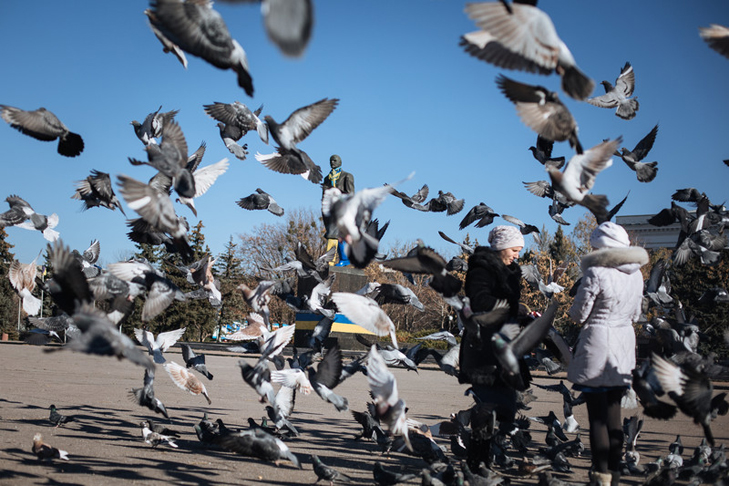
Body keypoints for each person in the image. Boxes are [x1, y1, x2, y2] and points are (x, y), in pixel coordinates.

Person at [566, 222, 648, 486]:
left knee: (597, 417)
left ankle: (600, 476)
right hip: (624, 343)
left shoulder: (596, 272)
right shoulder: (637, 275)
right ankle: (613, 473)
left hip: (598, 343)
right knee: (614, 416)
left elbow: (579, 314)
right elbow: (636, 314)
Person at [458, 224, 526, 469]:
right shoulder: (481, 271)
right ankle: (478, 462)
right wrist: (512, 305)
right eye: (515, 250)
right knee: (488, 408)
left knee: (507, 409)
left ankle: (487, 456)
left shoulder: (511, 271)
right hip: (483, 349)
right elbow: (479, 301)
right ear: (501, 248)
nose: (518, 255)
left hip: (504, 346)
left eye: (519, 250)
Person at [321, 154, 355, 266]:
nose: (332, 162)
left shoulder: (347, 176)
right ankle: (343, 259)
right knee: (334, 234)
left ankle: (332, 261)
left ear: (340, 162)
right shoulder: (327, 178)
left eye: (335, 160)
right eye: (331, 160)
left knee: (334, 234)